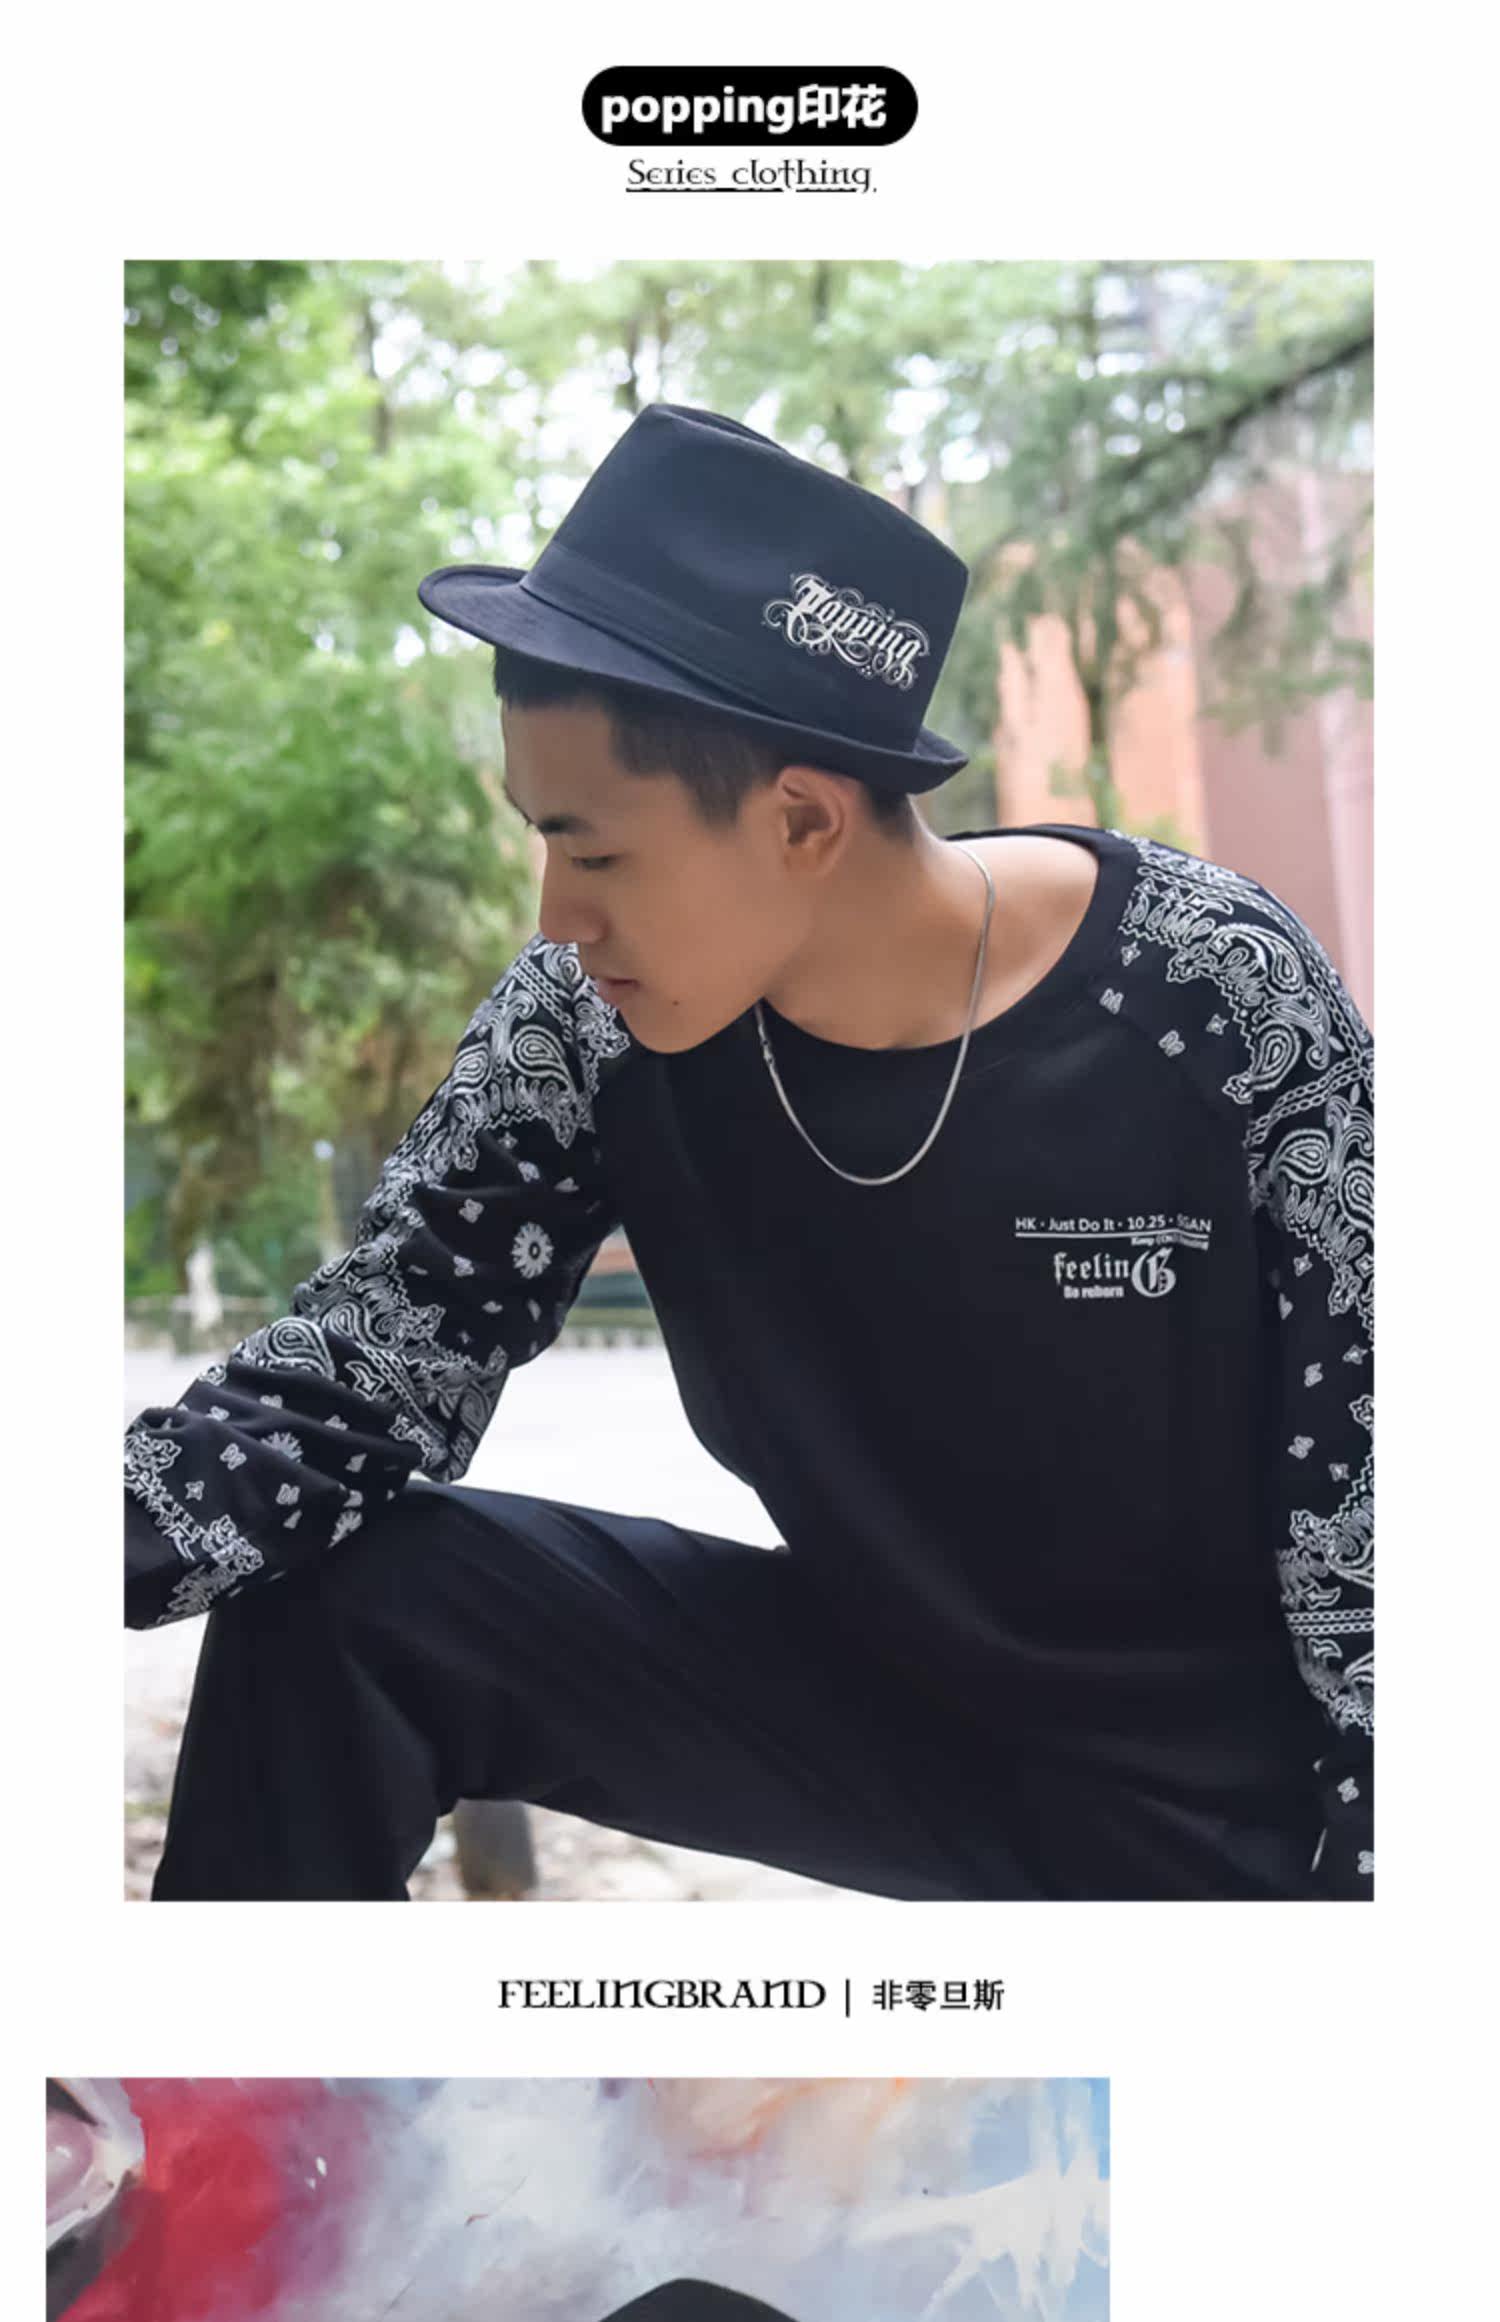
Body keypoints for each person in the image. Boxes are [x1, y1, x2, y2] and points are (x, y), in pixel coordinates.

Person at [125, 403, 1373, 1902]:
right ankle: (245, 2047)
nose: (556, 914)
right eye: (541, 841)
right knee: (349, 1602)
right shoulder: (582, 1026)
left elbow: (1377, 1502)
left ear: (800, 821)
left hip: (1205, 1812)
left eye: (593, 849)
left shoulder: (1212, 995)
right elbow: (373, 1366)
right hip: (864, 1702)